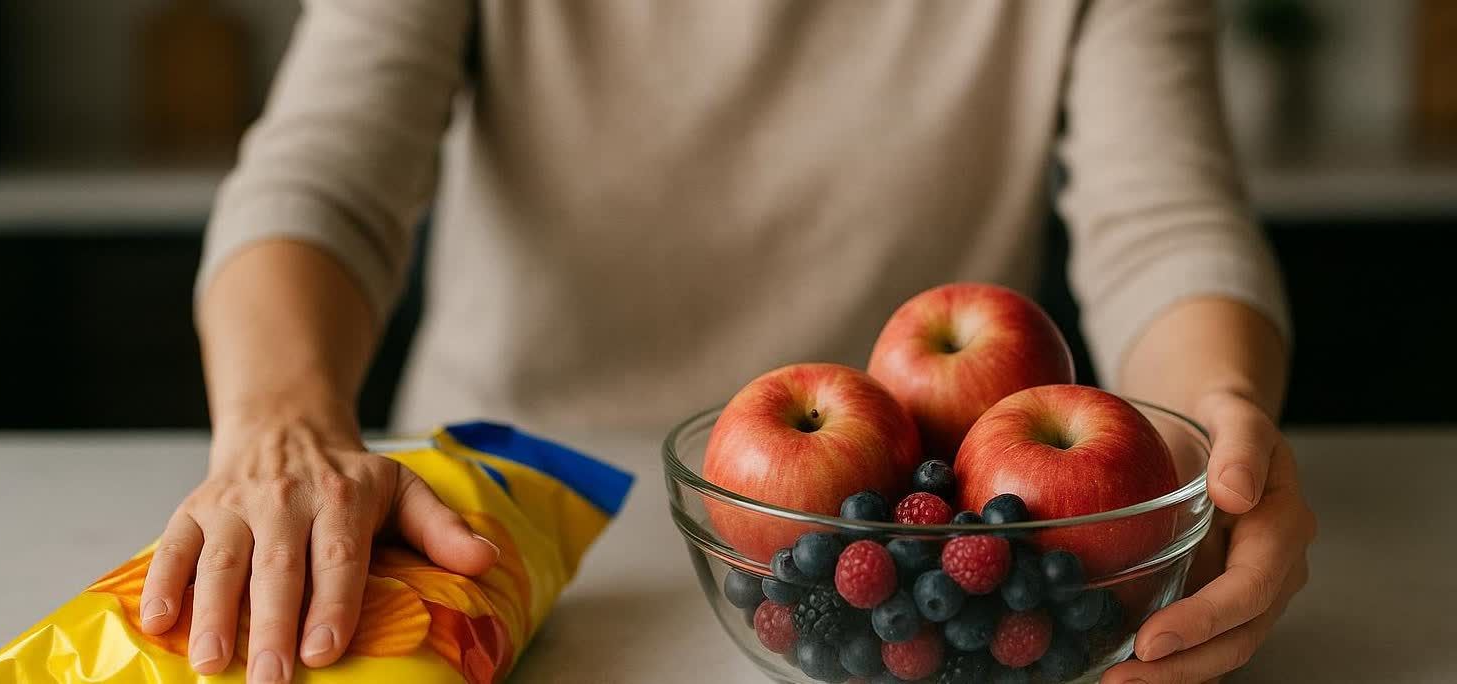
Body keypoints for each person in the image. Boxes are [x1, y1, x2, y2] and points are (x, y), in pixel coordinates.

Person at [135, 2, 1316, 682]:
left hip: (916, 550)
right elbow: (319, 173)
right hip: (501, 518)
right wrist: (278, 429)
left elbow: (1160, 216)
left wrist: (1217, 433)